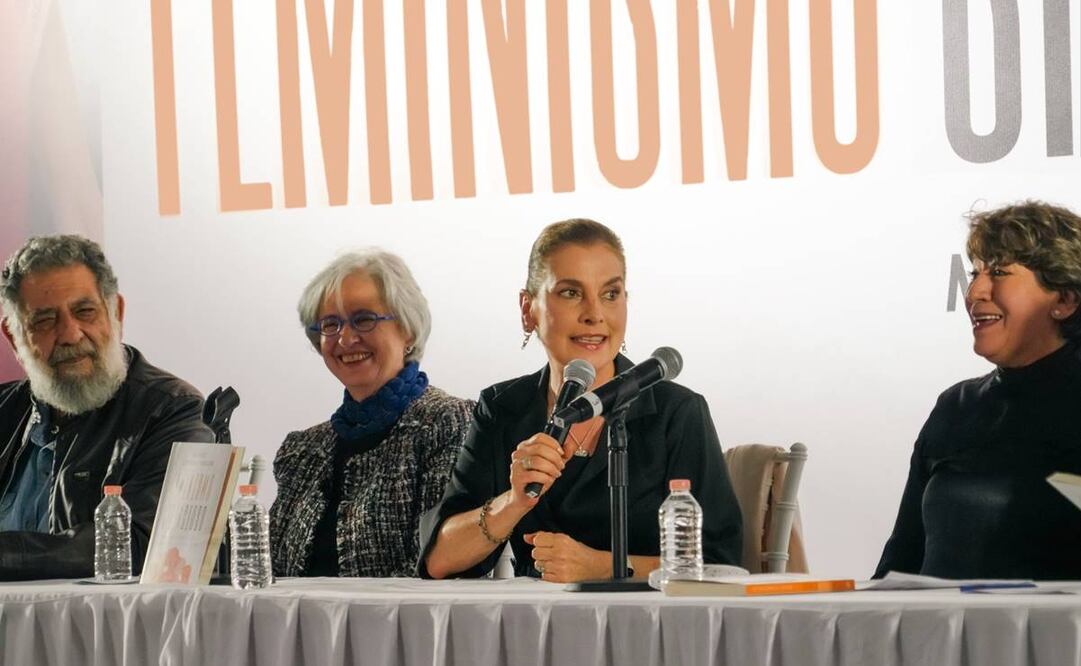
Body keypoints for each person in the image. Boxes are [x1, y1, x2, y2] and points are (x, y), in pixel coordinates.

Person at [419, 218, 742, 582]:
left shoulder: (676, 412)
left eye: (610, 294)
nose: (594, 314)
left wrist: (603, 567)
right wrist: (513, 501)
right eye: (571, 293)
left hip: (649, 629)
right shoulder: (503, 407)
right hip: (531, 628)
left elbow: (721, 563)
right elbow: (439, 561)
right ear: (528, 310)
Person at [876, 201, 1081, 580]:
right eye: (976, 273)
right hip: (940, 635)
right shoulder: (956, 406)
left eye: (1000, 272)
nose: (974, 292)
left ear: (1065, 300)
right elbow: (901, 560)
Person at [0, 235, 213, 580]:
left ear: (116, 313)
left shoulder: (174, 410)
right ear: (13, 336)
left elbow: (144, 544)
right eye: (44, 321)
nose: (70, 334)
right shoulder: (5, 412)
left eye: (85, 312)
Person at [270, 249, 473, 577]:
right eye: (330, 324)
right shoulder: (301, 450)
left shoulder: (449, 423)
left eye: (363, 319)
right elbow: (274, 573)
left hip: (403, 627)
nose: (346, 338)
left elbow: (432, 567)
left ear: (407, 329)